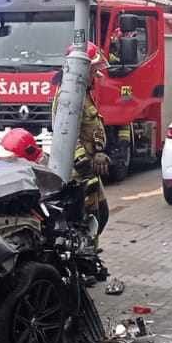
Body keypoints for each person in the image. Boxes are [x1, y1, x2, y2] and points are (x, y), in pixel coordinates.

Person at [48, 49, 111, 232]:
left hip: (89, 171)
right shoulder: (68, 97)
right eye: (92, 71)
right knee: (83, 223)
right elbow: (67, 133)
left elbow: (91, 127)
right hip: (78, 175)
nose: (95, 76)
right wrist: (83, 162)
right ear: (82, 71)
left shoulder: (83, 94)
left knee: (99, 217)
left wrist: (99, 151)